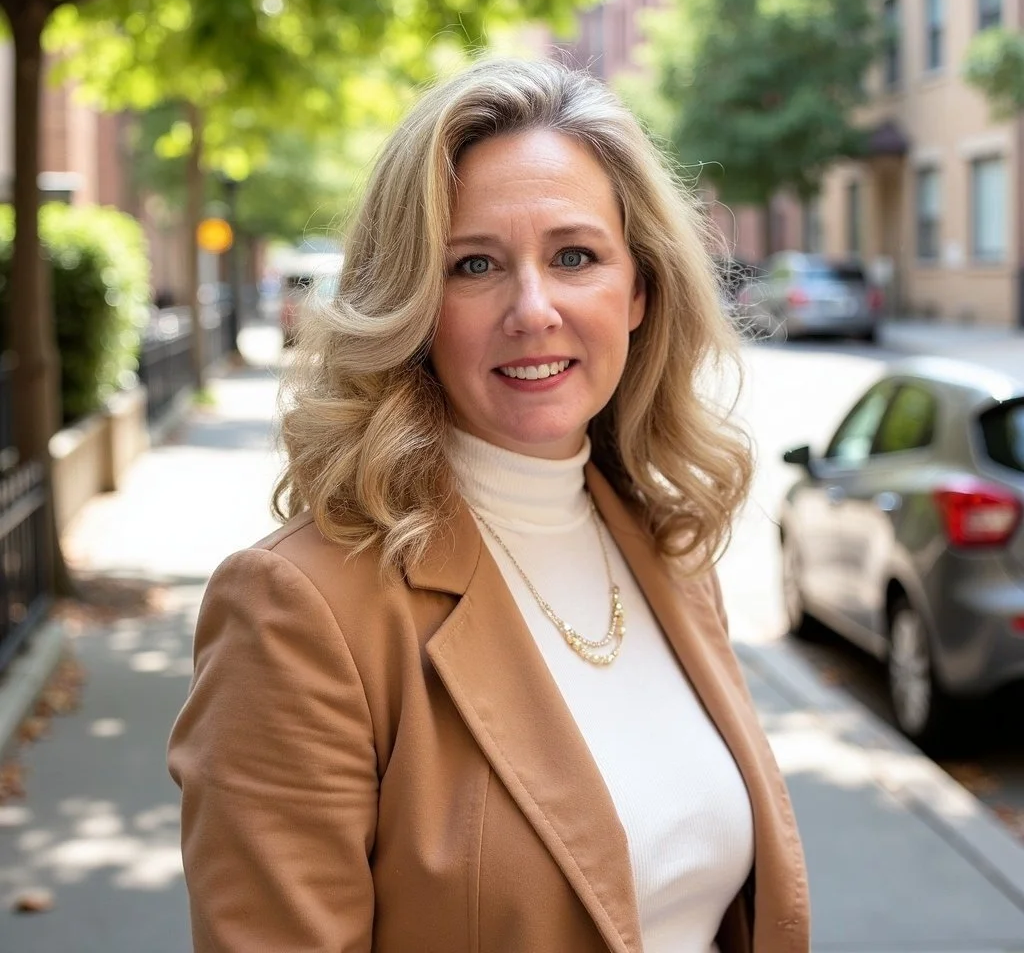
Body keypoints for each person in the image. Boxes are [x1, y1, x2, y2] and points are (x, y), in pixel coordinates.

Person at [168, 57, 809, 953]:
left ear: (639, 293)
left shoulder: (666, 548)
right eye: (474, 265)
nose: (533, 309)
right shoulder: (299, 612)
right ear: (415, 307)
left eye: (575, 256)